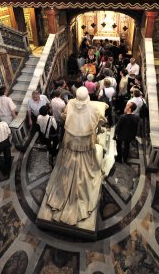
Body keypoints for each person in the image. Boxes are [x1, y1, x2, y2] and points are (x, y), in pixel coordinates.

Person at [42, 86, 107, 225]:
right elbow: (100, 121)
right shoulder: (94, 109)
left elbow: (64, 116)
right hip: (84, 143)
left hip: (70, 141)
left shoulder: (70, 104)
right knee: (86, 168)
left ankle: (61, 197)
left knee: (66, 164)